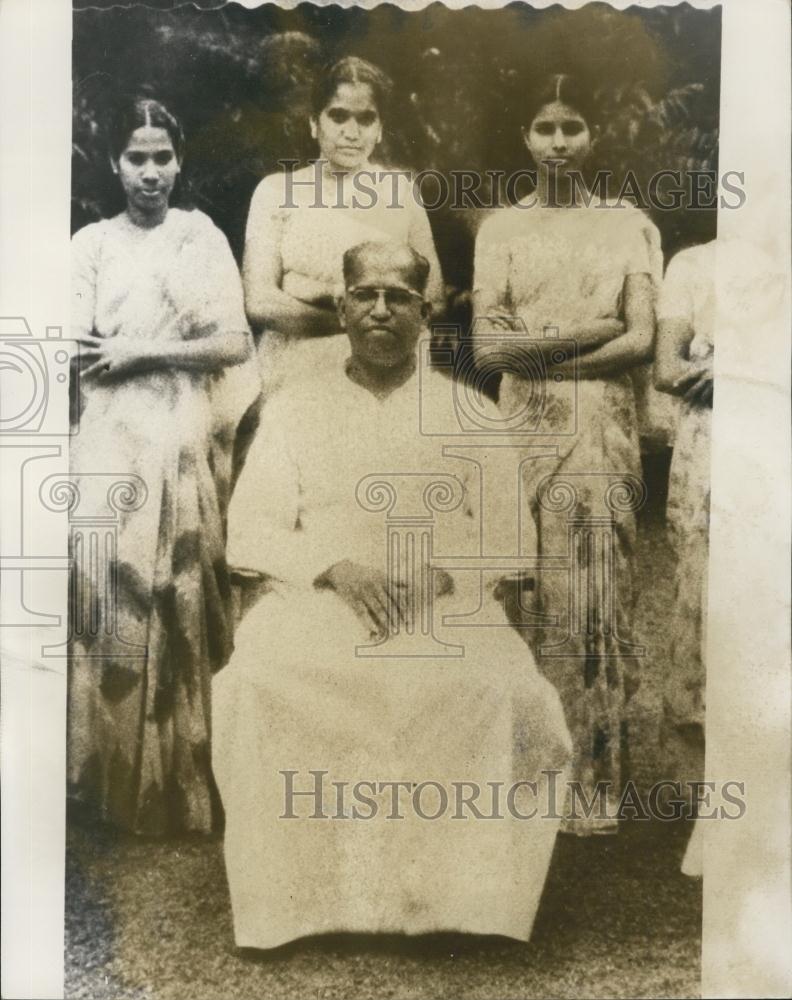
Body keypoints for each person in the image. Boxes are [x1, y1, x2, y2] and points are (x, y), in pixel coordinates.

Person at [212, 241, 571, 949]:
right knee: (258, 677)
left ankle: (462, 905)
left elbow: (507, 534)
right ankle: (301, 907)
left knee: (496, 683)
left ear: (425, 312)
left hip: (444, 597)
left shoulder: (470, 411)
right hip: (317, 593)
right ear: (341, 306)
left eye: (398, 297)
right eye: (366, 295)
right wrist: (336, 568)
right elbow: (251, 526)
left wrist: (440, 574)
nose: (381, 311)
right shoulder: (294, 409)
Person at [472, 73, 660, 835]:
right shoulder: (501, 231)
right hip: (522, 425)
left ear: (592, 139)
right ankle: (523, 779)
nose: (558, 143)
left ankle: (589, 784)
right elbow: (489, 348)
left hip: (600, 428)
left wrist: (543, 354)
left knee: (589, 594)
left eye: (572, 127)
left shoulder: (627, 226)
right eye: (544, 128)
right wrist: (589, 334)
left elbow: (642, 339)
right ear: (526, 138)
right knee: (523, 587)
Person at [69, 98, 259, 836]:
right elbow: (76, 341)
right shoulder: (90, 242)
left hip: (179, 427)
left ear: (180, 161)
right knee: (109, 590)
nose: (150, 173)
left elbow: (234, 341)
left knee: (180, 590)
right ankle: (109, 781)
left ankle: (180, 780)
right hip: (111, 434)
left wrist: (146, 350)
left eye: (162, 157)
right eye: (136, 158)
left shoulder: (200, 235)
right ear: (114, 164)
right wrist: (117, 353)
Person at [242, 55, 444, 394]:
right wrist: (366, 319)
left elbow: (434, 299)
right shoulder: (275, 191)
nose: (351, 132)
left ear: (380, 129)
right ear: (313, 123)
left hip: (381, 373)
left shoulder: (400, 192)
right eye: (338, 116)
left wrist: (303, 289)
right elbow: (260, 302)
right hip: (294, 372)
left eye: (366, 119)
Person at [655, 239, 715, 877]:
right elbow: (667, 370)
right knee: (706, 614)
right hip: (713, 452)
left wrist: (742, 370)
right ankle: (716, 810)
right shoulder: (694, 264)